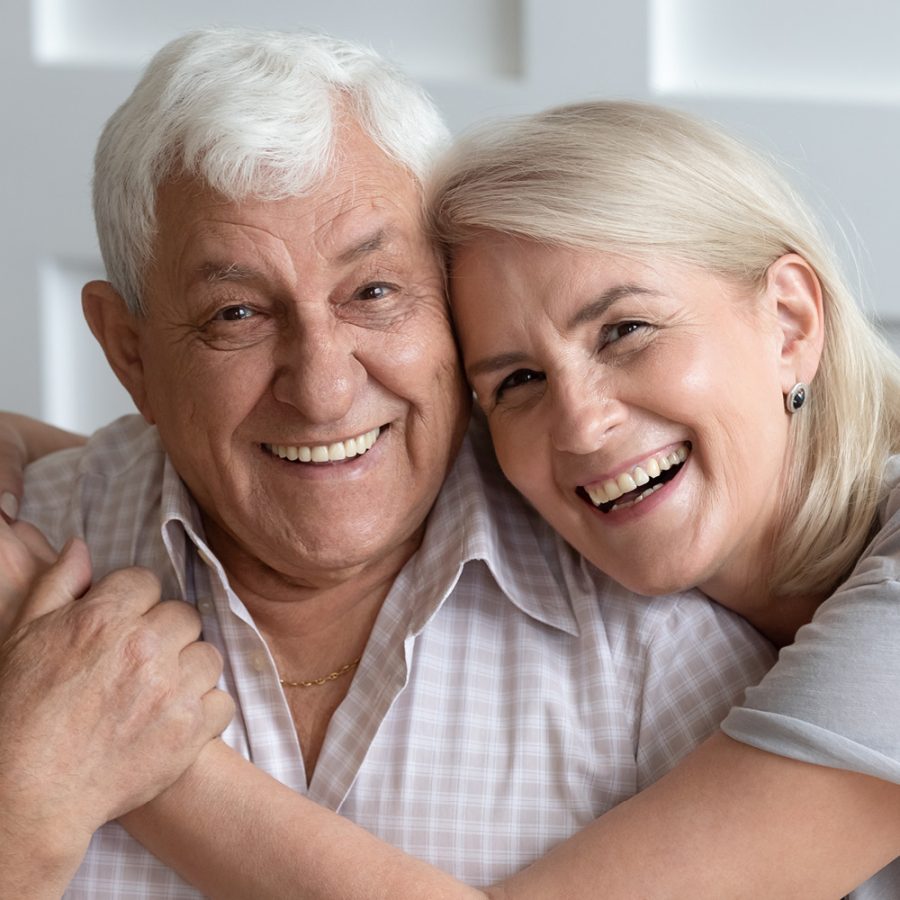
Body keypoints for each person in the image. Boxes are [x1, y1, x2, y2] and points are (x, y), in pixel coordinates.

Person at [0, 30, 774, 898]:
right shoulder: (15, 564)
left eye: (373, 293)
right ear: (129, 353)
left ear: (451, 304)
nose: (324, 391)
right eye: (238, 315)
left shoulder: (651, 620)